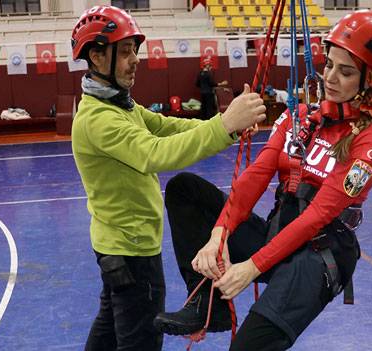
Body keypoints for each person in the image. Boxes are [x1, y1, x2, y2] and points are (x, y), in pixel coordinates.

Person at [154, 10, 372, 350]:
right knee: (185, 190)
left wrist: (251, 268)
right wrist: (219, 234)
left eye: (346, 72)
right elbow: (255, 177)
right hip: (280, 234)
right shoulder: (298, 118)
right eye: (328, 65)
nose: (330, 77)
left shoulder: (368, 144)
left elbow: (317, 217)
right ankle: (209, 305)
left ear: (371, 79)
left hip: (319, 253)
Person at [69, 6, 266, 351]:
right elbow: (157, 153)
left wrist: (229, 127)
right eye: (126, 52)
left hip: (118, 248)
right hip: (131, 254)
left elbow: (168, 127)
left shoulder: (119, 106)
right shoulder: (98, 118)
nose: (136, 60)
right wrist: (223, 126)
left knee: (109, 334)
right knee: (140, 341)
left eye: (136, 51)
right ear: (97, 57)